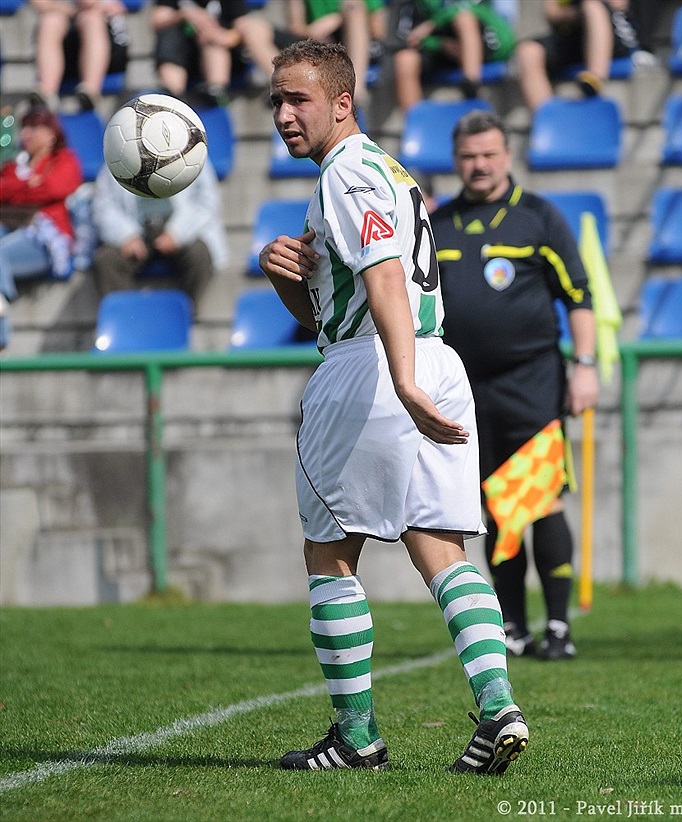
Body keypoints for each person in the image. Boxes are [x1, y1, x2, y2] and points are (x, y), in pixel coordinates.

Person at [258, 39, 528, 773]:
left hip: (377, 367)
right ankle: (498, 706)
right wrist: (287, 279)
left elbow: (380, 274)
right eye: (275, 100)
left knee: (330, 557)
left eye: (298, 98)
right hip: (434, 357)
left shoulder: (344, 172)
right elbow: (333, 304)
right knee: (442, 551)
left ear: (342, 102)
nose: (283, 113)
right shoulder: (389, 169)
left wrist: (401, 381)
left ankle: (356, 738)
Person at [430, 110, 600, 660]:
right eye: (468, 157)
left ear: (507, 155)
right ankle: (514, 628)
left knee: (542, 501)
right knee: (494, 507)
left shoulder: (539, 218)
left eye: (488, 154)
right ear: (456, 161)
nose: (478, 166)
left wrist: (587, 365)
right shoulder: (441, 222)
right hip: (466, 390)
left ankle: (557, 627)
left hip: (533, 383)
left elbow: (579, 296)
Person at [90, 157, 228, 312]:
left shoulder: (193, 151)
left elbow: (206, 203)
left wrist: (176, 233)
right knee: (106, 260)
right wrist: (126, 235)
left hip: (179, 226)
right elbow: (104, 206)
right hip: (136, 227)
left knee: (199, 254)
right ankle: (127, 320)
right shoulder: (117, 153)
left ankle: (180, 317)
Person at [0, 105, 83, 350]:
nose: (28, 132)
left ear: (52, 133)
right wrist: (32, 186)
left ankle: (1, 331)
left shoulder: (65, 159)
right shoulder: (15, 165)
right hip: (12, 231)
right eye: (25, 126)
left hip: (46, 241)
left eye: (36, 127)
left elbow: (56, 188)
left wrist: (22, 189)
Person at [389, 0, 516, 112]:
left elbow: (470, 11)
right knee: (404, 60)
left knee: (464, 19)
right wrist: (441, 44)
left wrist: (433, 24)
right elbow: (408, 38)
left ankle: (471, 90)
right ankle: (417, 126)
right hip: (433, 50)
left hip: (482, 46)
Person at [151, 0, 283, 107]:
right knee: (169, 36)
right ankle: (172, 97)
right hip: (184, 52)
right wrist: (184, 14)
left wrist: (220, 37)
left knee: (218, 37)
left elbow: (241, 25)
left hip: (225, 53)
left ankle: (278, 84)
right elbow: (159, 21)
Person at [516, 0, 639, 111]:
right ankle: (551, 123)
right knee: (528, 51)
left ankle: (595, 77)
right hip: (573, 35)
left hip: (611, 34)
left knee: (591, 5)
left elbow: (619, 4)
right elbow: (552, 12)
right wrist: (577, 13)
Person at [29, 0, 130, 112]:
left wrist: (58, 7)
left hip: (108, 43)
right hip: (69, 38)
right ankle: (46, 95)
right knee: (50, 21)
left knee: (90, 18)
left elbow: (88, 2)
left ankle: (90, 92)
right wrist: (70, 10)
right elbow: (40, 4)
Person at [286, 0, 387, 108]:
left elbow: (378, 30)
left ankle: (355, 86)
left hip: (355, 44)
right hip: (317, 42)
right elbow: (295, 28)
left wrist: (336, 19)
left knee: (353, 7)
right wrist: (312, 31)